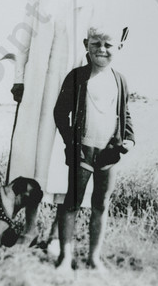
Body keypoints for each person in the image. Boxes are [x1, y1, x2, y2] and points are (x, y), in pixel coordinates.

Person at [7, 0, 109, 252]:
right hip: (39, 79)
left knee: (68, 154)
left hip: (76, 82)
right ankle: (31, 227)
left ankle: (55, 232)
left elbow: (103, 42)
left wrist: (96, 84)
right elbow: (25, 30)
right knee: (35, 152)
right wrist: (19, 77)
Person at [53, 26, 134, 272]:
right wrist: (71, 142)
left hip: (108, 152)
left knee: (101, 203)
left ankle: (94, 258)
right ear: (86, 44)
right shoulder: (77, 76)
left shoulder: (120, 80)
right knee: (72, 203)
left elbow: (125, 113)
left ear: (119, 47)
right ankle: (65, 257)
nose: (102, 50)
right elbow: (60, 113)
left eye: (108, 45)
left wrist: (128, 140)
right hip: (82, 150)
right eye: (96, 43)